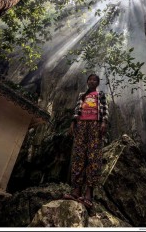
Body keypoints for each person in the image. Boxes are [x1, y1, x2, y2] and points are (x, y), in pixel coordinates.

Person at [63, 73, 109, 209]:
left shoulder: (100, 95)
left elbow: (105, 110)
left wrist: (104, 122)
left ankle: (88, 194)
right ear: (87, 82)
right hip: (81, 125)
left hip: (95, 124)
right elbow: (77, 110)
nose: (92, 81)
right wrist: (73, 123)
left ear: (97, 83)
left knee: (93, 156)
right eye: (90, 79)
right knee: (79, 155)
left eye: (95, 80)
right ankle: (76, 191)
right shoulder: (82, 95)